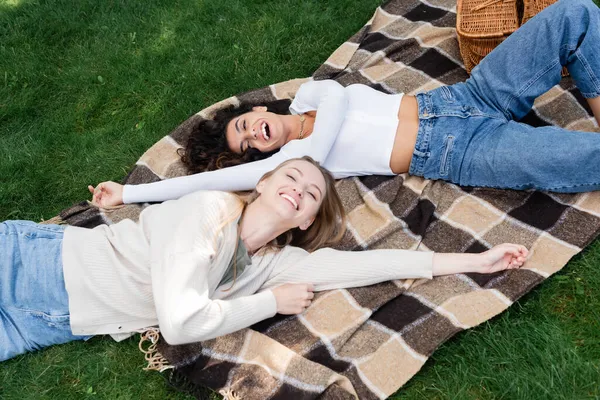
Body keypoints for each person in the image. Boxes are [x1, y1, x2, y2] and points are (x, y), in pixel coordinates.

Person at [1, 157, 527, 362]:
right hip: (31, 265)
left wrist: (472, 263)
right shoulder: (209, 212)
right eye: (291, 178)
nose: (299, 191)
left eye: (312, 195)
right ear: (263, 183)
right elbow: (182, 323)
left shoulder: (269, 263)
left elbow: (365, 266)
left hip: (53, 324)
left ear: (305, 221)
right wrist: (269, 304)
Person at [89, 0, 600, 208]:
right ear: (256, 160)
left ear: (261, 109)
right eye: (246, 145)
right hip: (461, 148)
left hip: (467, 97)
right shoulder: (294, 165)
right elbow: (207, 181)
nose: (253, 134)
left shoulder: (313, 92)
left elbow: (331, 97)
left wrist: (324, 119)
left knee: (574, 13)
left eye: (245, 123)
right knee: (580, 160)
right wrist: (130, 195)